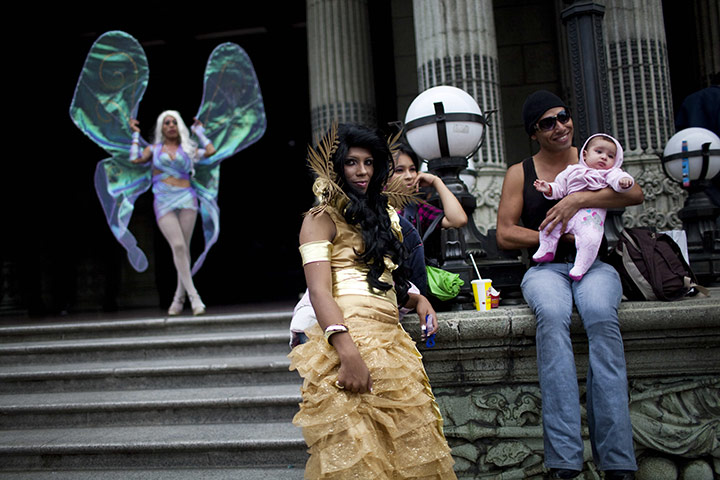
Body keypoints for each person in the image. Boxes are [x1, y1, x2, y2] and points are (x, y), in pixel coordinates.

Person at [289, 123, 456, 479]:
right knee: (360, 461)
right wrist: (347, 353)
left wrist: (418, 299)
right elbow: (319, 290)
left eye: (368, 162)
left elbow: (384, 279)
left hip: (393, 346)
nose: (361, 171)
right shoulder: (319, 219)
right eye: (351, 162)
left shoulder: (386, 217)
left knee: (410, 455)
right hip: (349, 340)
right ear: (337, 166)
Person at [496, 90, 643, 480]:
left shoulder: (592, 156)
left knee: (599, 316)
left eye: (563, 117)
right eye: (548, 122)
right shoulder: (520, 172)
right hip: (545, 269)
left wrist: (576, 202)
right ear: (533, 132)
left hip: (597, 266)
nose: (560, 126)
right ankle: (564, 459)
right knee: (553, 316)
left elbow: (635, 192)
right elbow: (505, 234)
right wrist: (558, 238)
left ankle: (617, 461)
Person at [130, 111, 216, 316]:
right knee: (178, 246)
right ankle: (194, 297)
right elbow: (135, 159)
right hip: (163, 199)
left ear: (179, 127)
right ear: (161, 127)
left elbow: (211, 151)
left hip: (186, 198)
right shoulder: (154, 149)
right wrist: (135, 135)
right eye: (167, 122)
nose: (170, 125)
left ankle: (178, 299)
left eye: (174, 122)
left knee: (183, 250)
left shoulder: (188, 149)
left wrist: (199, 132)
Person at [532, 133, 635, 281]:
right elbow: (560, 187)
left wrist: (624, 181)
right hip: (567, 215)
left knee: (591, 239)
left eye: (611, 156)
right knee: (549, 225)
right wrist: (548, 188)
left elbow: (618, 180)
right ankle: (546, 249)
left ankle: (581, 265)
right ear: (585, 155)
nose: (604, 157)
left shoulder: (609, 173)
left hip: (590, 219)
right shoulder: (572, 170)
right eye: (599, 152)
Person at [392, 143, 468, 235]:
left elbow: (458, 220)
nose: (409, 176)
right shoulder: (372, 207)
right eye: (399, 170)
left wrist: (436, 181)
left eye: (412, 169)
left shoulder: (416, 210)